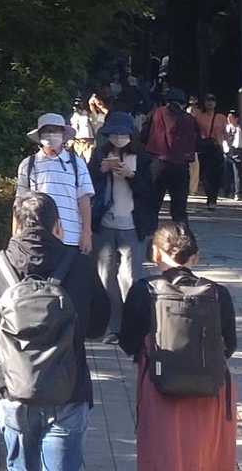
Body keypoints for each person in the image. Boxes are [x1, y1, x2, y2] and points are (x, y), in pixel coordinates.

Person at [0, 192, 108, 471]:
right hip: (69, 390)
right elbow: (99, 326)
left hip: (13, 389)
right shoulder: (81, 265)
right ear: (58, 226)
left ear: (16, 225)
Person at [118, 222, 237, 471]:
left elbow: (127, 342)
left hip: (159, 384)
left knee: (162, 454)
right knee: (207, 455)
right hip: (211, 387)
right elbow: (230, 345)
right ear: (195, 256)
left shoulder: (143, 290)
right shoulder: (218, 293)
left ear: (155, 253)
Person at [87, 111, 156, 344]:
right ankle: (113, 327)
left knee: (132, 277)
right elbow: (87, 186)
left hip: (133, 225)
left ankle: (134, 327)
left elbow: (150, 193)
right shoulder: (99, 154)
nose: (118, 138)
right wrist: (101, 171)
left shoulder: (143, 158)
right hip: (105, 223)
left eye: (122, 134)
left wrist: (131, 176)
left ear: (131, 135)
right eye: (114, 134)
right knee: (105, 276)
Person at [16, 113, 95, 253]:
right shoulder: (28, 164)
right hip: (37, 238)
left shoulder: (77, 163)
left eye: (55, 130)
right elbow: (19, 203)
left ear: (63, 134)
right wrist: (16, 236)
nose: (51, 134)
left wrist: (86, 233)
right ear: (40, 135)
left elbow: (84, 199)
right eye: (47, 130)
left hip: (71, 237)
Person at [142, 87, 197, 229]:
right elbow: (195, 142)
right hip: (180, 166)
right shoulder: (189, 119)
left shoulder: (156, 113)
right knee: (179, 209)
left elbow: (144, 135)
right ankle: (183, 236)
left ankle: (149, 235)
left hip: (158, 163)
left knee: (152, 206)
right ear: (183, 103)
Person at [192, 93, 225, 210]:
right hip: (205, 148)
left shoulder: (221, 117)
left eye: (212, 100)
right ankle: (210, 197)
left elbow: (225, 133)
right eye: (208, 100)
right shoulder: (199, 117)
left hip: (217, 148)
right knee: (205, 175)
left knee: (216, 175)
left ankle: (213, 198)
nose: (210, 102)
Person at [222, 111, 242, 199]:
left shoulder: (239, 129)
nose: (229, 119)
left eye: (231, 117)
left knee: (237, 174)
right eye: (228, 117)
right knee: (227, 173)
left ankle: (237, 192)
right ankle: (227, 191)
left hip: (236, 152)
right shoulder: (226, 128)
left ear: (236, 119)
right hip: (227, 152)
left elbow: (241, 142)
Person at [70, 97, 100, 163]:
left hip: (88, 142)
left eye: (79, 104)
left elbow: (95, 124)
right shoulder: (73, 116)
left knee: (89, 162)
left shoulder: (88, 115)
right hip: (77, 142)